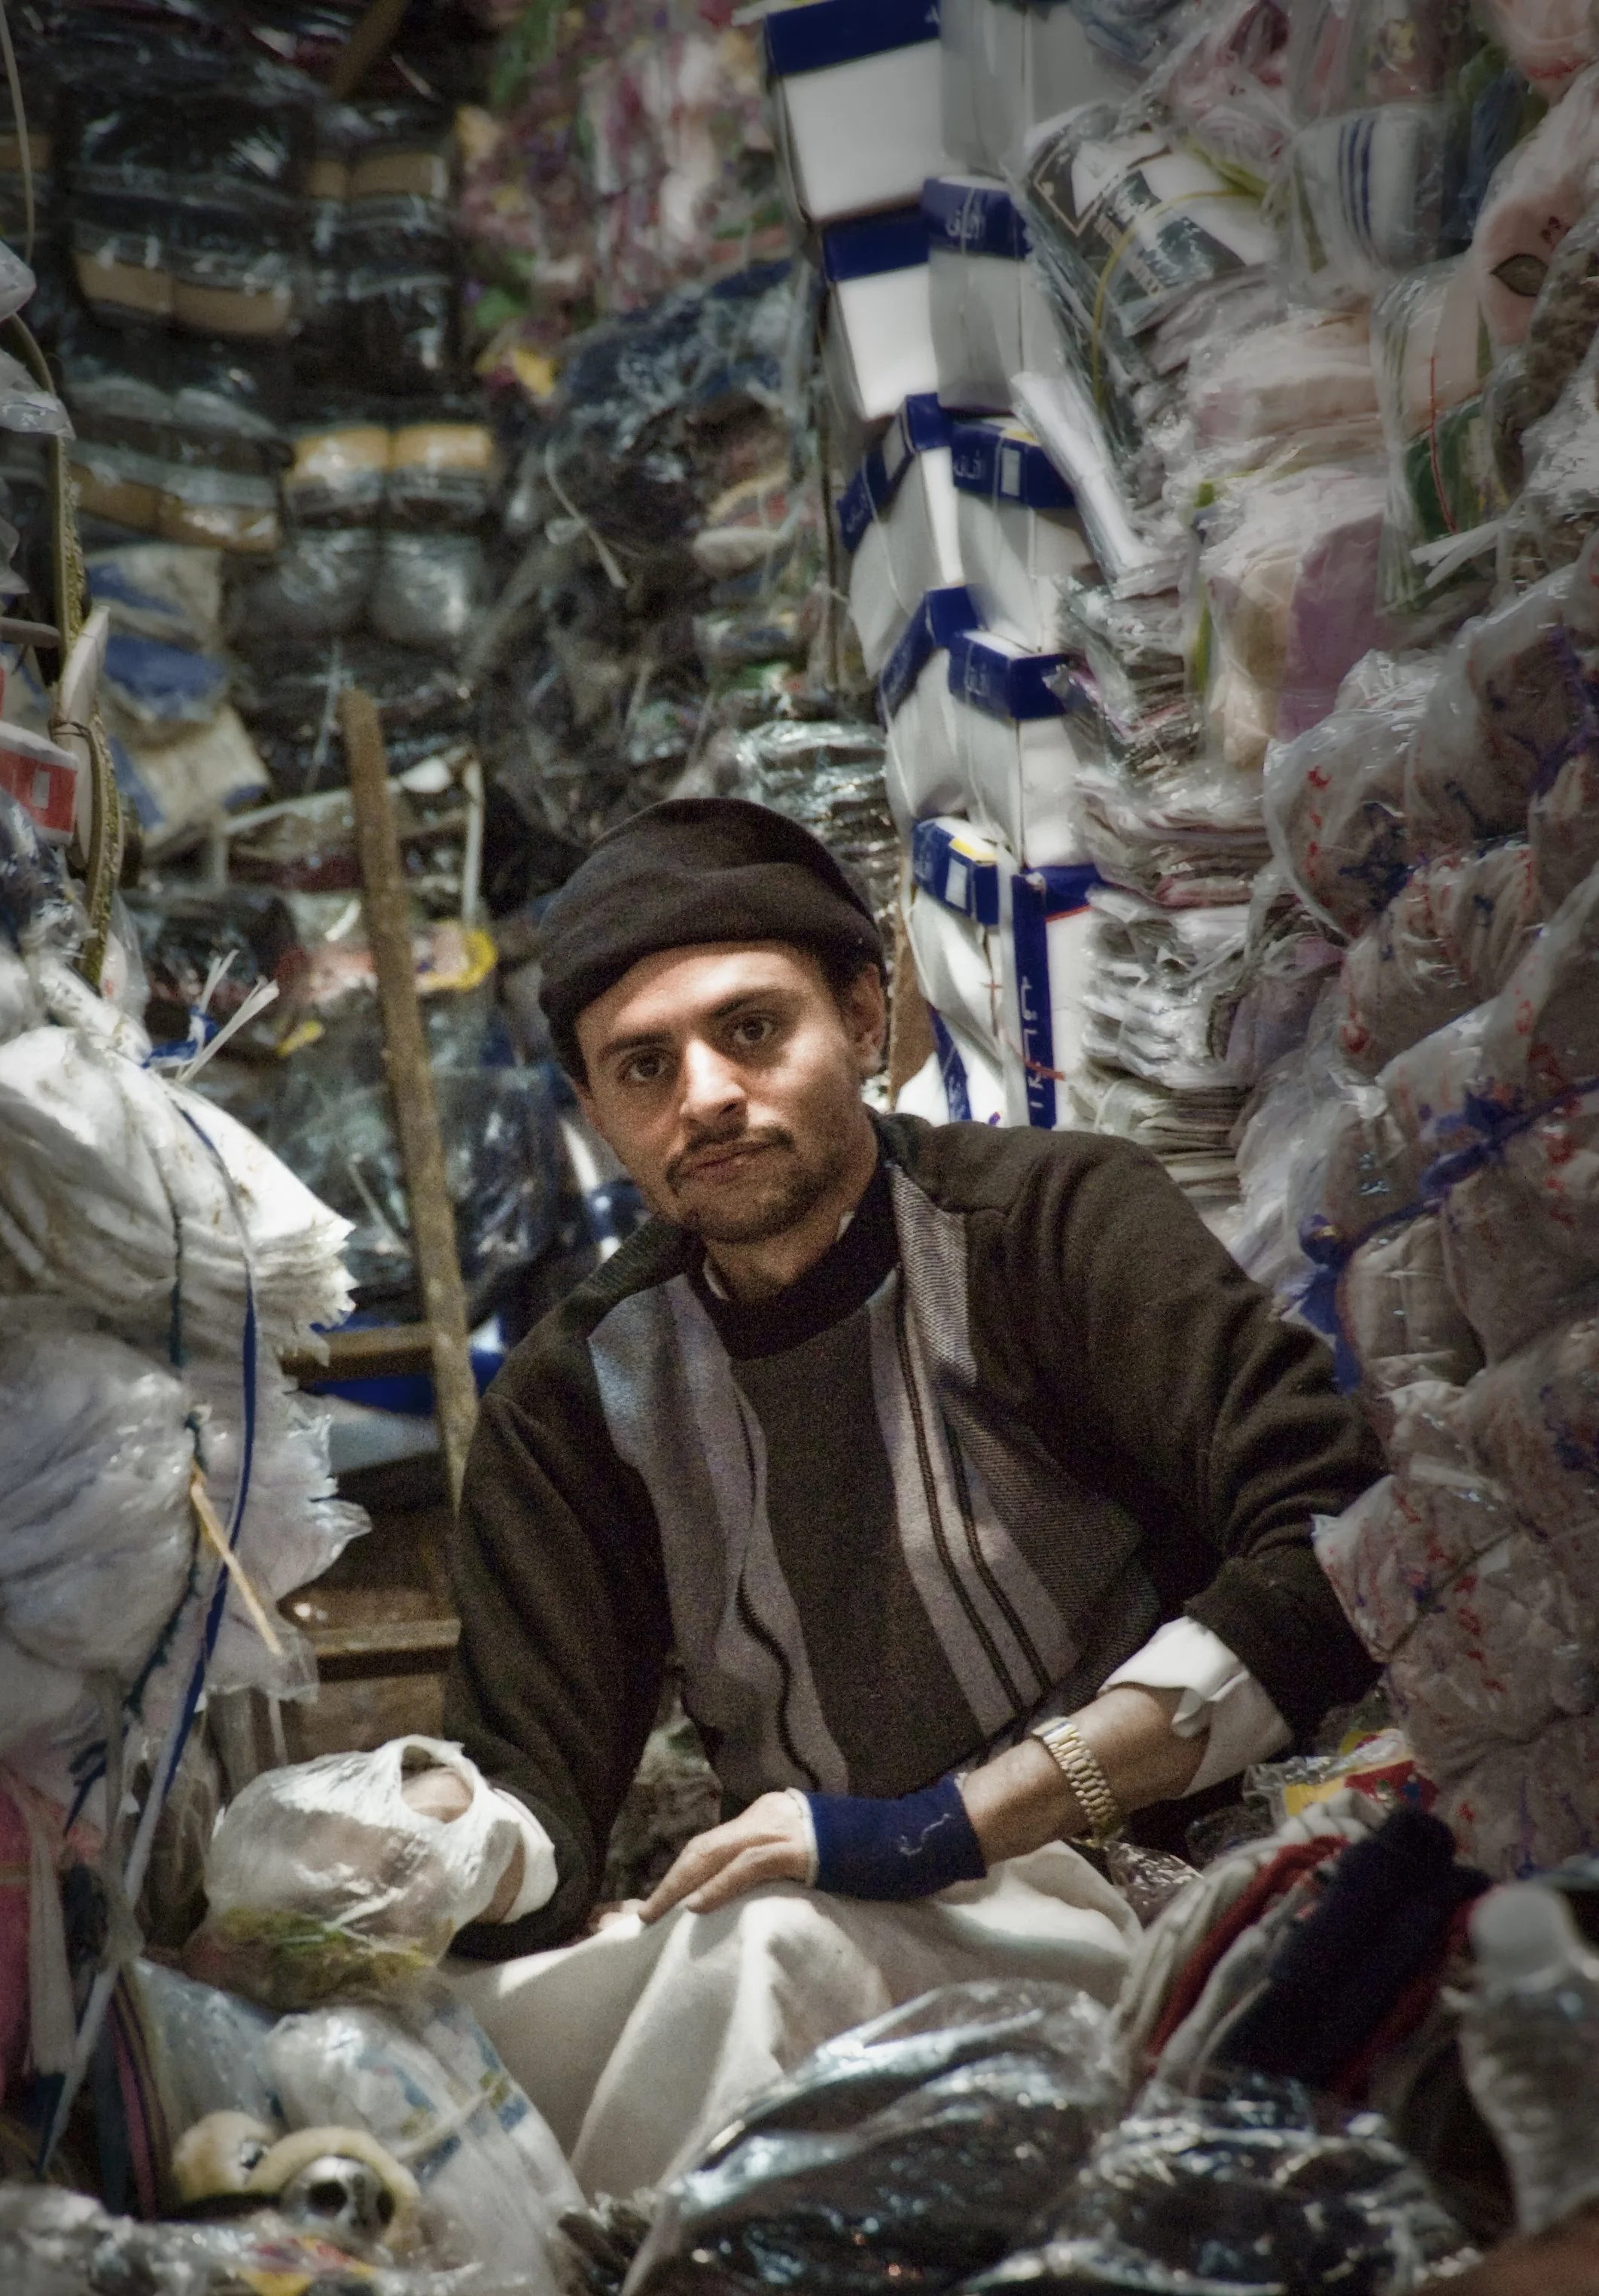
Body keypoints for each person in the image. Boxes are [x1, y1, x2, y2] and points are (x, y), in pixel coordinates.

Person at [425, 796, 1382, 2191]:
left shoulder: (1053, 1231)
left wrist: (944, 1828)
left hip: (1142, 1891)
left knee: (768, 1970)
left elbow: (1330, 1534)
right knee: (430, 2050)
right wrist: (425, 1856)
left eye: (750, 1030)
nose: (702, 1096)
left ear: (868, 1017)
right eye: (643, 1068)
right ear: (599, 1117)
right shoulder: (582, 1404)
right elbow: (535, 1775)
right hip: (829, 1907)